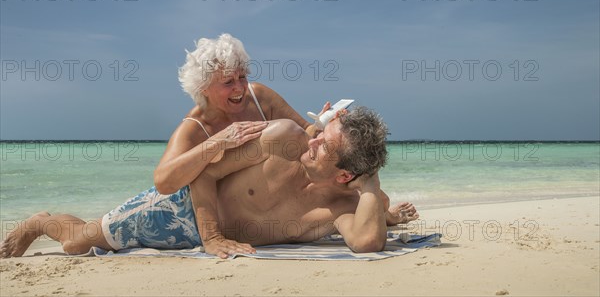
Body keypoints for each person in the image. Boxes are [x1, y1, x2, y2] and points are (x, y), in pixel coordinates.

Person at [0, 107, 419, 258]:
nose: (313, 142)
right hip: (185, 210)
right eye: (321, 132)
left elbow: (366, 242)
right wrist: (211, 235)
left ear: (347, 175)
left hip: (209, 236)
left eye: (324, 146)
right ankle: (40, 222)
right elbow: (207, 170)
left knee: (86, 240)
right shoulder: (283, 140)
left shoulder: (346, 204)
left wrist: (374, 189)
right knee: (79, 242)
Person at [154, 33, 325, 195]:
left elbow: (304, 132)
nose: (240, 87)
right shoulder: (196, 126)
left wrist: (321, 124)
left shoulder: (259, 97)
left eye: (242, 77)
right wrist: (218, 142)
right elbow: (163, 183)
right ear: (203, 88)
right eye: (228, 82)